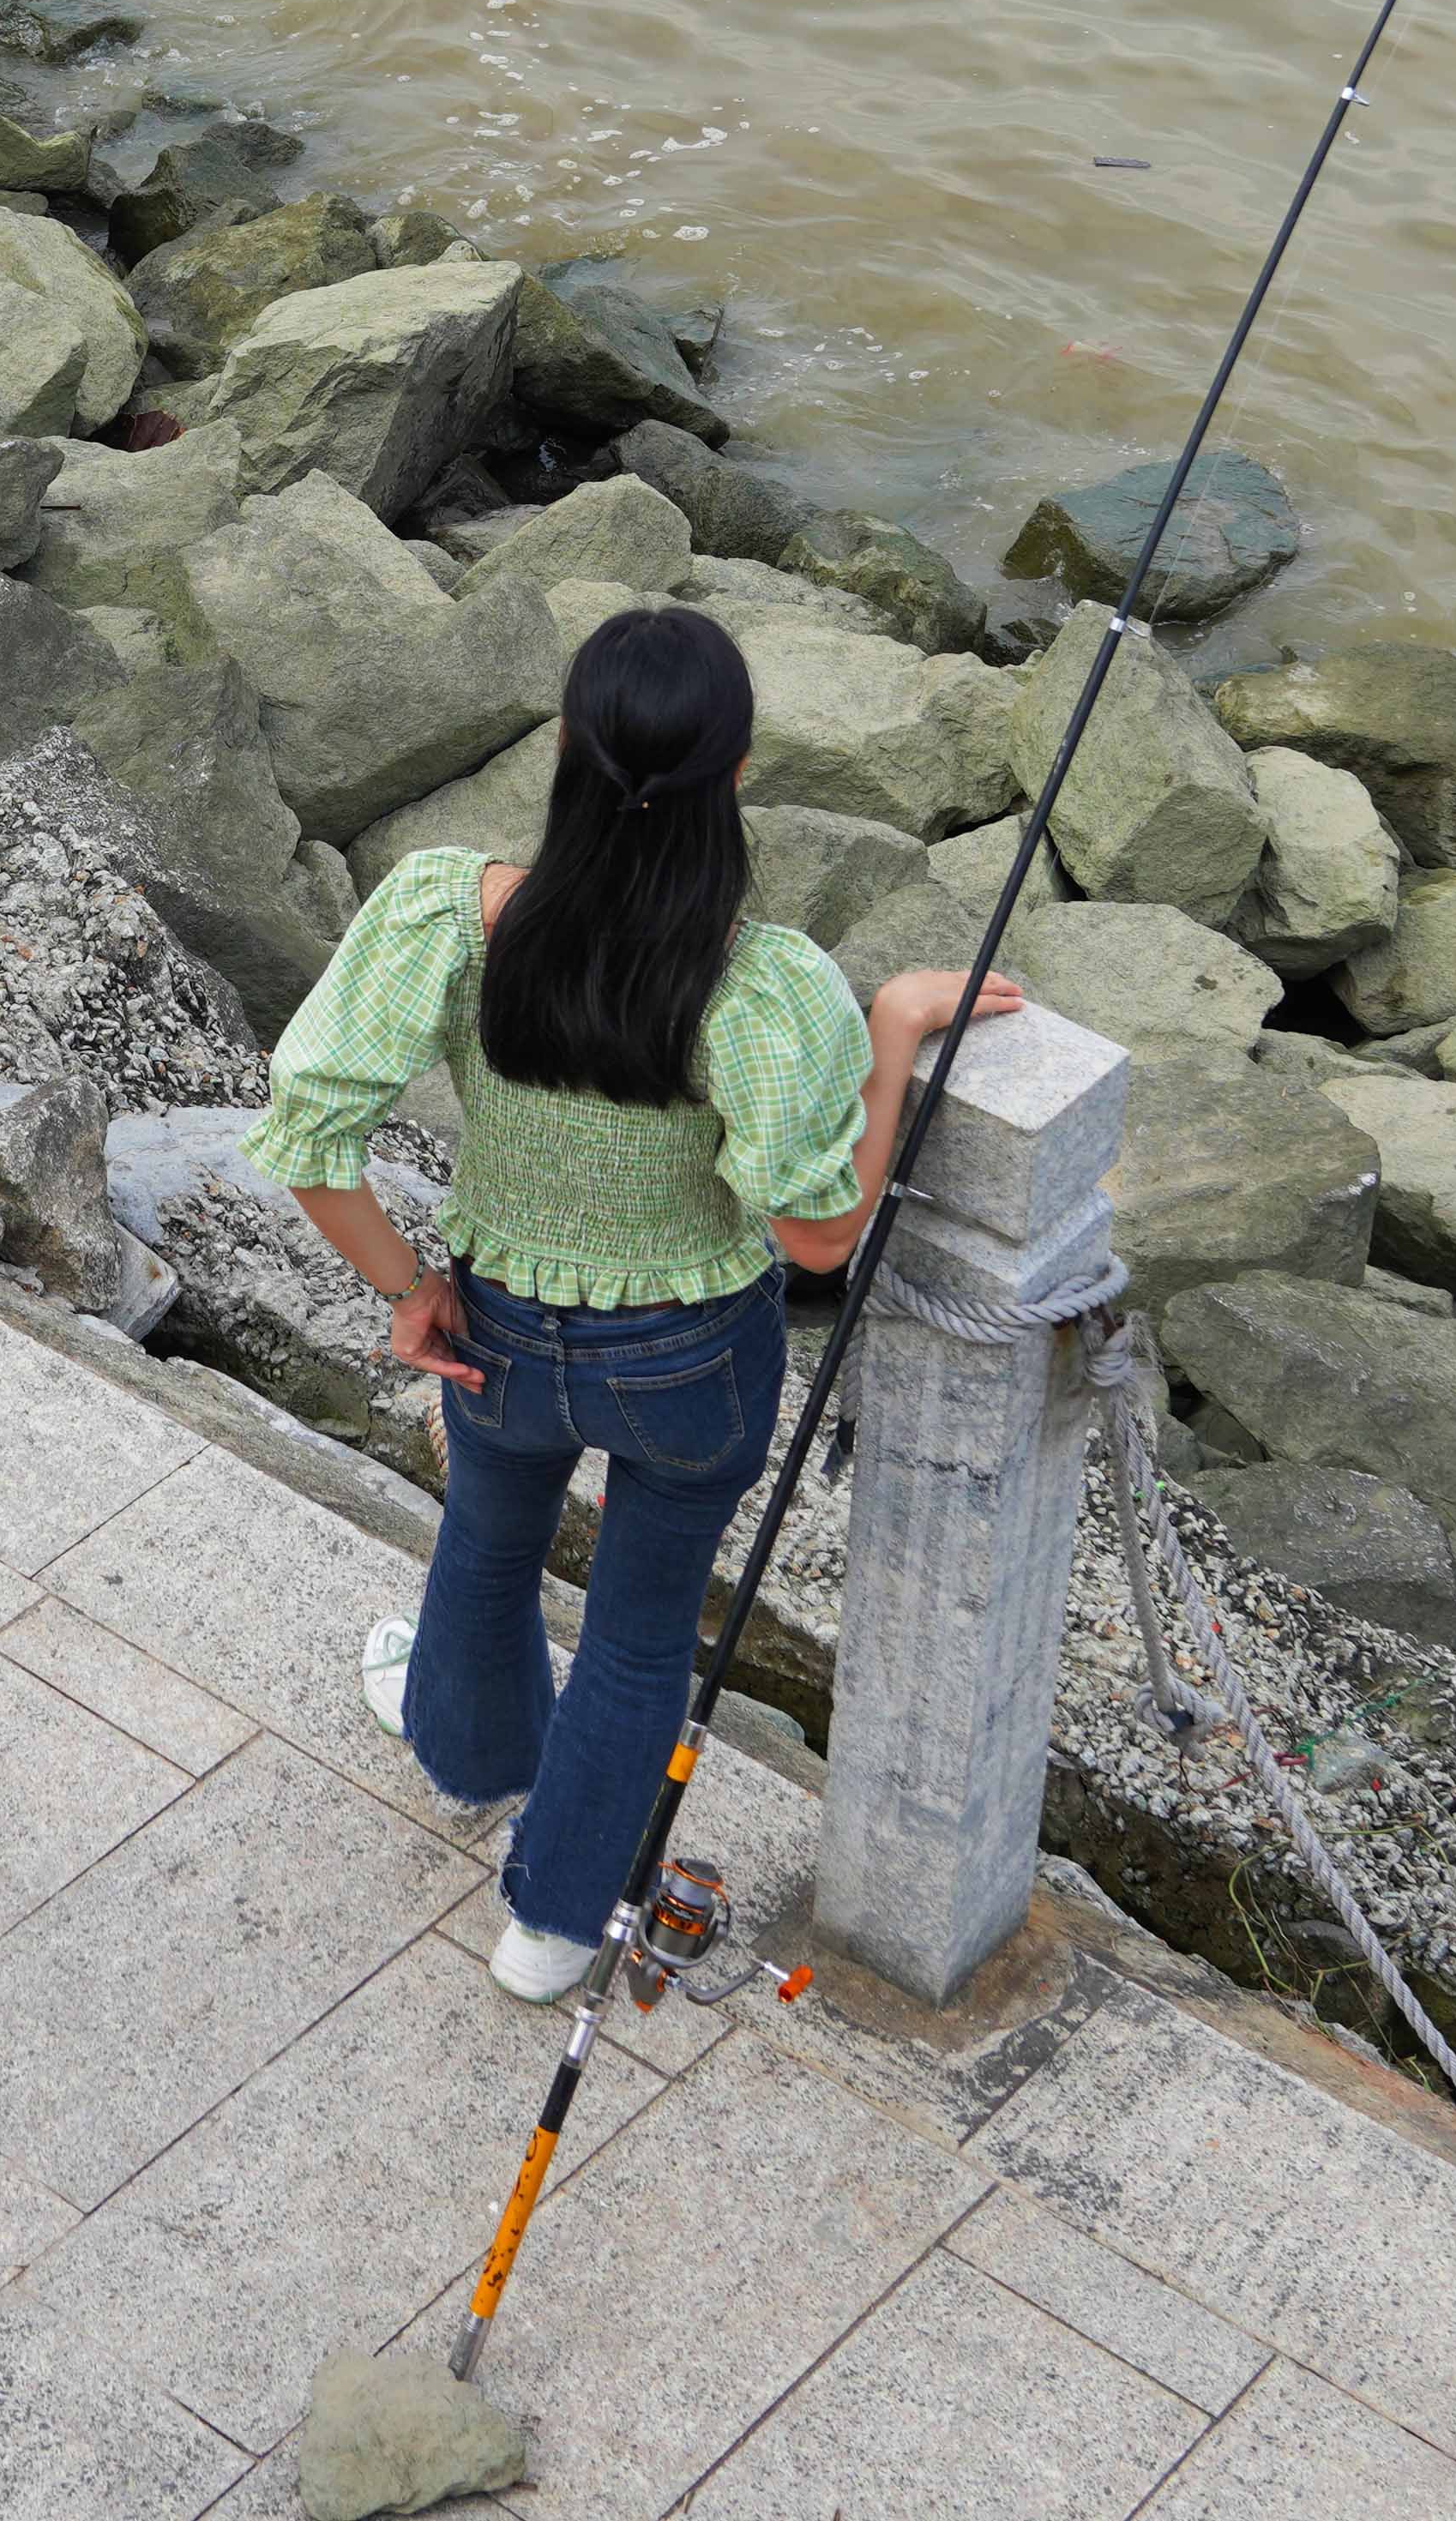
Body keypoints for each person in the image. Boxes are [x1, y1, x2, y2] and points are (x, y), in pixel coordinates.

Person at [246, 604, 1021, 1997]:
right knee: (641, 1630)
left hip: (495, 1316)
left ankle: (472, 1751)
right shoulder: (759, 991)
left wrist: (409, 1284)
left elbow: (306, 1127)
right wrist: (897, 1029)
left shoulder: (448, 915)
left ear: (562, 751)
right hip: (689, 1363)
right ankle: (553, 1918)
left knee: (487, 1538)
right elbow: (820, 1234)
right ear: (735, 776)